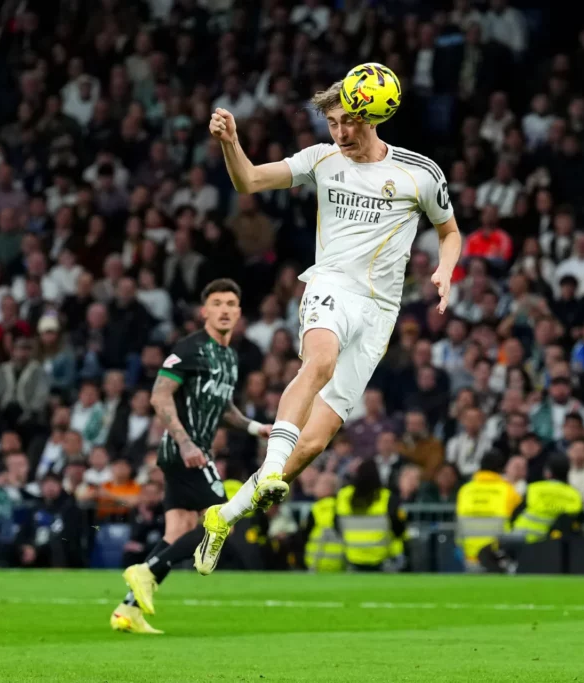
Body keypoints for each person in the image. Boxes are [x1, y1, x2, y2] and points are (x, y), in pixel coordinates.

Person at [195, 79, 462, 573]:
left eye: (349, 121)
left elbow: (448, 232)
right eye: (332, 122)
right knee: (319, 360)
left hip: (381, 311)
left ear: (373, 116)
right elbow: (249, 181)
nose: (339, 131)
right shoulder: (320, 159)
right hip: (331, 286)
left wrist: (446, 268)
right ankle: (272, 468)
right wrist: (231, 143)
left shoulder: (419, 173)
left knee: (315, 441)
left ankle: (225, 514)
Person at [111, 279, 273, 635]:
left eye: (232, 303)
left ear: (240, 312)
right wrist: (185, 443)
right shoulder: (190, 347)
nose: (225, 309)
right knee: (220, 523)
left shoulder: (229, 356)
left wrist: (253, 428)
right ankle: (146, 572)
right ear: (204, 312)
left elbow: (222, 406)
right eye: (217, 303)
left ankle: (128, 610)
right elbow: (159, 395)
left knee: (178, 531)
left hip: (195, 451)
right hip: (186, 451)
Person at [454, 450, 522, 570]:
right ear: (502, 469)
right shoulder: (508, 491)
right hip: (495, 557)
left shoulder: (465, 490)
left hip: (469, 558)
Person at [333, 460, 405, 571]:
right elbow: (399, 528)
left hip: (352, 556)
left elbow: (336, 525)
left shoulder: (343, 496)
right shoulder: (386, 497)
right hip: (381, 557)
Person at [512, 455, 584, 541]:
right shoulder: (574, 494)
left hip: (523, 539)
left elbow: (515, 514)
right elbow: (578, 520)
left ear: (548, 472)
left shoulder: (534, 488)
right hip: (554, 545)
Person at [301, 473, 343, 572]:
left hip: (316, 562)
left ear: (328, 488)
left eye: (318, 483)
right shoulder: (341, 508)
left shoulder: (316, 509)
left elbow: (304, 535)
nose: (315, 487)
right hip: (339, 561)